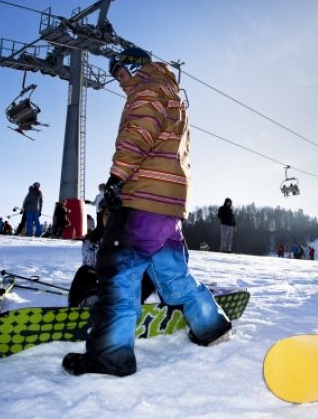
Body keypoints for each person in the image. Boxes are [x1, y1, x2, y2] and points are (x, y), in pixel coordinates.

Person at [62, 47, 231, 377]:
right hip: (168, 204)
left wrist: (117, 177)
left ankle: (110, 356)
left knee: (117, 273)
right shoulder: (170, 93)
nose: (120, 80)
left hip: (143, 198)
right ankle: (211, 324)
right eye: (117, 76)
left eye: (122, 72)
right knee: (170, 273)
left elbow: (138, 133)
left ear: (135, 65)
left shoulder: (147, 88)